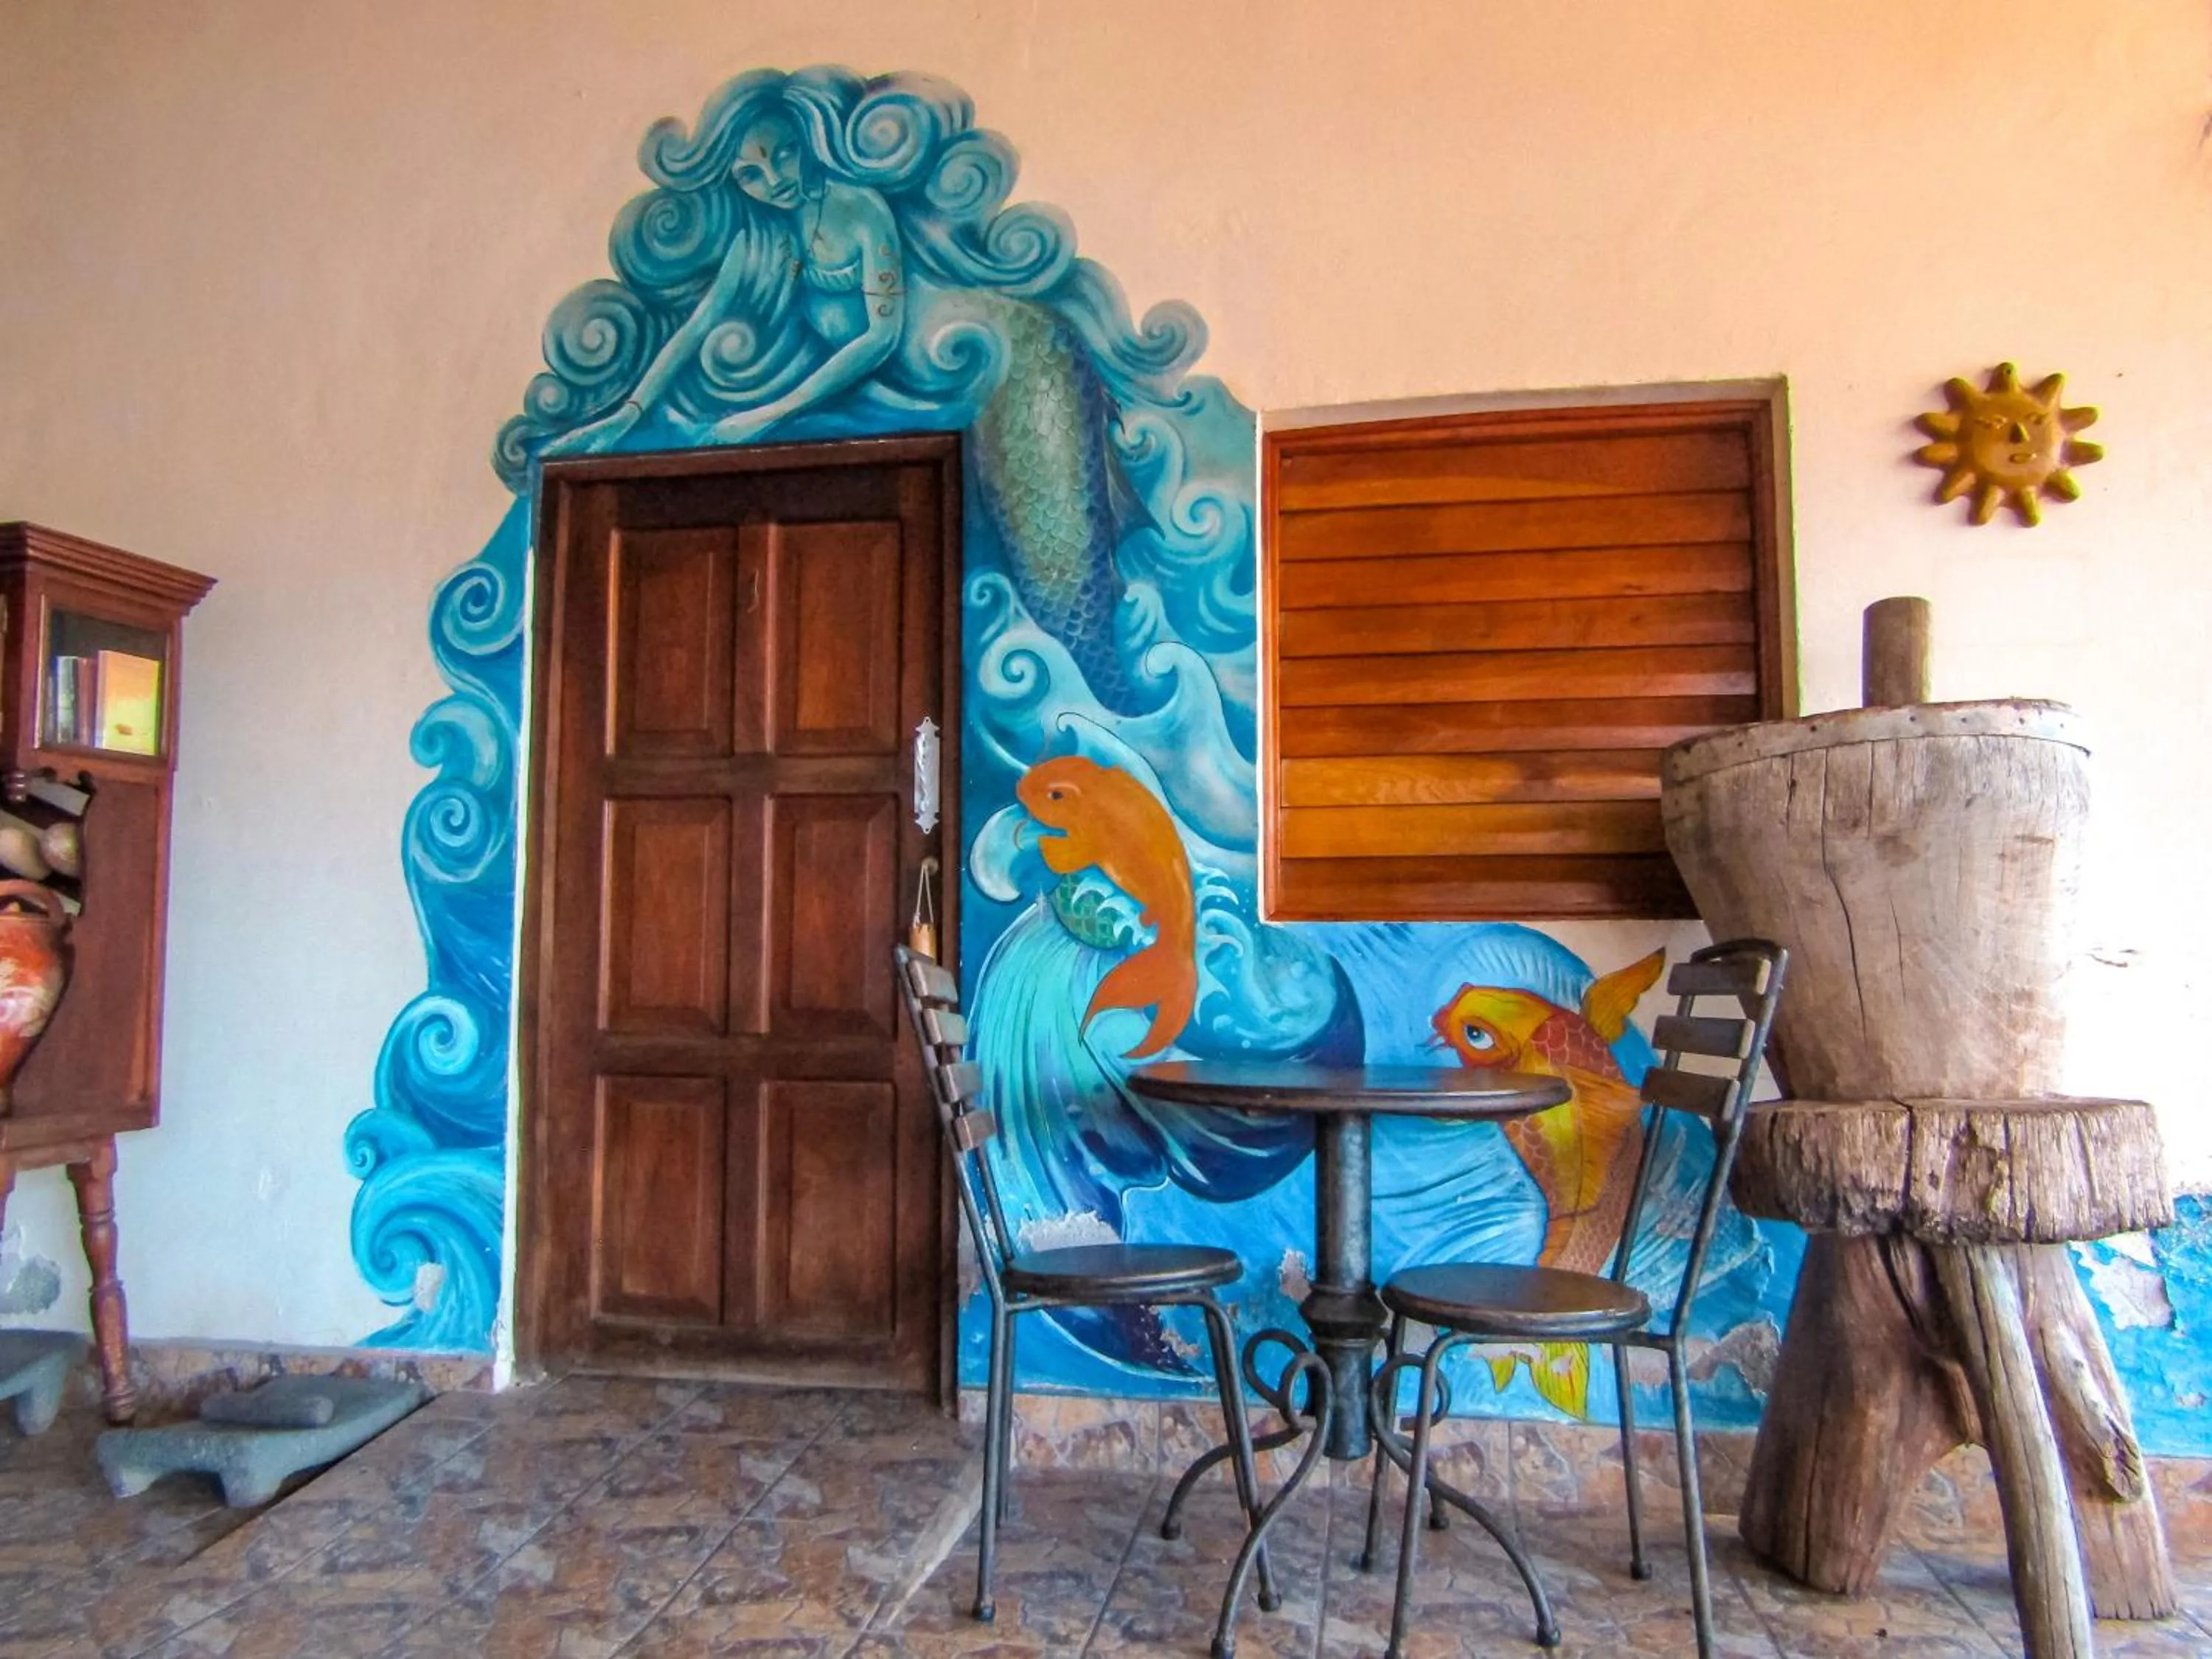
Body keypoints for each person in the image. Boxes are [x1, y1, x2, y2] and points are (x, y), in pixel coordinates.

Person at [546, 105, 905, 456]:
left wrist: (767, 416)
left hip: (877, 397)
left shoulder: (861, 210)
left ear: (807, 140)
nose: (775, 180)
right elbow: (700, 324)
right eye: (751, 174)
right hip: (808, 400)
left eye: (784, 153)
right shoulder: (759, 232)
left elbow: (882, 336)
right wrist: (629, 413)